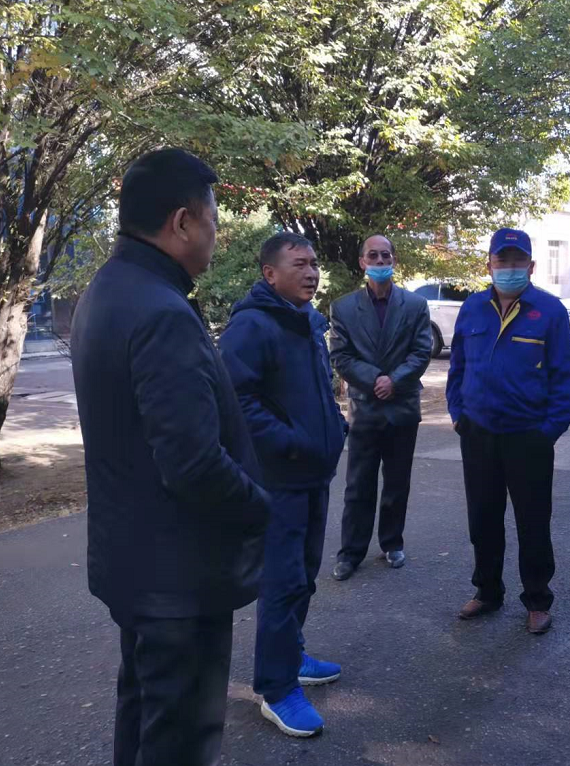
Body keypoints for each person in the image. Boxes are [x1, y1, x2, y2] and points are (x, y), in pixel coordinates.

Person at [70, 149, 268, 766]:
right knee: (179, 739)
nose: (218, 234)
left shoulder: (108, 290)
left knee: (144, 716)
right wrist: (260, 506)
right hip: (179, 578)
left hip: (136, 564)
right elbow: (193, 464)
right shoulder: (161, 311)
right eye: (214, 220)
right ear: (182, 222)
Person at [219, 233, 348, 736]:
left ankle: (291, 655)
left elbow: (315, 391)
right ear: (270, 274)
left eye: (314, 263)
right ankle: (275, 689)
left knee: (305, 575)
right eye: (299, 264)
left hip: (312, 474)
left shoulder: (306, 322)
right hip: (279, 479)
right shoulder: (252, 325)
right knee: (282, 581)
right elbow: (235, 400)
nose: (311, 272)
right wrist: (291, 442)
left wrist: (335, 425)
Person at [446, 228, 570, 634]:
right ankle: (487, 591)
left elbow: (563, 378)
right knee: (482, 518)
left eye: (518, 260)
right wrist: (458, 414)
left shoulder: (549, 311)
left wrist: (548, 431)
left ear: (531, 266)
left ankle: (537, 600)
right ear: (489, 264)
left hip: (528, 435)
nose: (509, 267)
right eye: (502, 260)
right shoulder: (472, 308)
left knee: (532, 521)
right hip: (478, 433)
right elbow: (457, 367)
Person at [329, 235, 432, 580]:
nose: (379, 260)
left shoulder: (415, 305)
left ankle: (392, 542)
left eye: (385, 255)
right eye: (372, 255)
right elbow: (341, 356)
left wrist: (395, 381)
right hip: (365, 406)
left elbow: (421, 351)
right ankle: (351, 553)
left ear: (394, 260)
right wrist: (376, 379)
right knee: (358, 484)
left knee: (397, 482)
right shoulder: (343, 308)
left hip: (402, 407)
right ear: (362, 262)